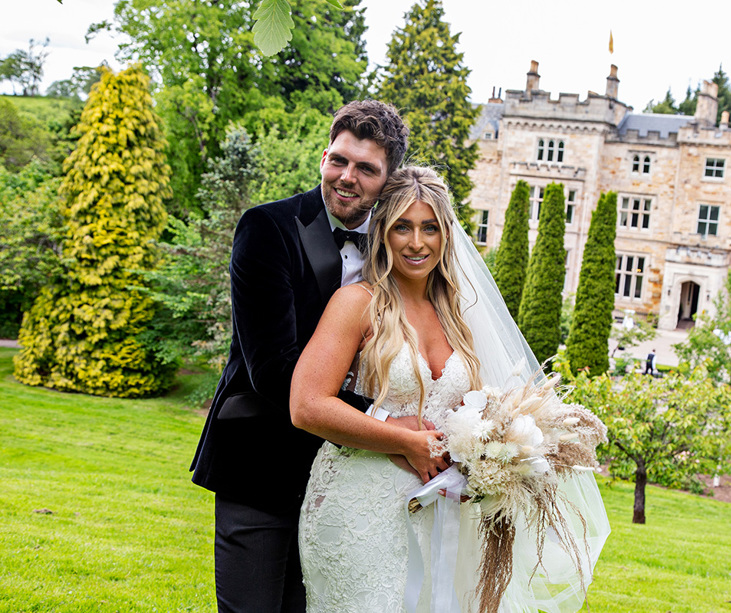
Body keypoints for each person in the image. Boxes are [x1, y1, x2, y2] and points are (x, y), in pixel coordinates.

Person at [290, 167, 609, 612]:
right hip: (358, 509)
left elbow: (471, 411)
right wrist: (404, 440)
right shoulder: (358, 303)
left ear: (446, 235)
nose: (416, 243)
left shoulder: (458, 316)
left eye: (429, 228)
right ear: (383, 231)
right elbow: (306, 406)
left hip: (441, 512)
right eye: (402, 226)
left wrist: (495, 451)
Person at [189, 101, 443, 613]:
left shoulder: (398, 243)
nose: (346, 178)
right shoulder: (267, 229)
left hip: (352, 484)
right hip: (263, 463)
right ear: (325, 156)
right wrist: (389, 424)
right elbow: (273, 370)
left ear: (389, 179)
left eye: (366, 168)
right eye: (338, 161)